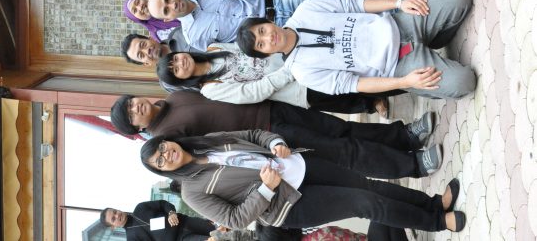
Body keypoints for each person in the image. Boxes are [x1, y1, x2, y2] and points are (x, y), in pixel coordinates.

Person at [139, 131, 465, 232]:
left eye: (162, 148)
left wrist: (274, 142)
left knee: (371, 187)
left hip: (300, 166)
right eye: (160, 160)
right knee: (365, 203)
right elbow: (234, 220)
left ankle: (434, 204)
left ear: (168, 141)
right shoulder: (192, 191)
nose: (166, 155)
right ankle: (437, 222)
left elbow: (252, 134)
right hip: (289, 205)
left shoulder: (207, 142)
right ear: (163, 171)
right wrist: (265, 188)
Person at [111, 92, 443, 178]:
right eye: (131, 115)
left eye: (131, 103)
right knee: (342, 151)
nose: (136, 107)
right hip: (268, 136)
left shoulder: (172, 97)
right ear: (136, 128)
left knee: (340, 127)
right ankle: (413, 165)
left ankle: (405, 137)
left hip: (270, 107)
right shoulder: (164, 138)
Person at [237, 0, 477, 99]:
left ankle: (437, 38)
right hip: (399, 65)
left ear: (267, 21)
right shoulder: (303, 72)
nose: (268, 37)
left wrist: (400, 3)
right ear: (266, 55)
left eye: (262, 30)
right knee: (465, 82)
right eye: (261, 44)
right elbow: (355, 84)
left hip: (400, 23)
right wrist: (405, 82)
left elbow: (354, 4)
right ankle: (428, 79)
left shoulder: (305, 9)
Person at [156, 43, 391, 116]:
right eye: (175, 70)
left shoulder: (214, 48)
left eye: (175, 59)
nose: (180, 63)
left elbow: (248, 47)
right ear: (180, 80)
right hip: (294, 88)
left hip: (291, 59)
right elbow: (251, 93)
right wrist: (288, 72)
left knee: (345, 72)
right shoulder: (209, 88)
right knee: (339, 97)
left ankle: (386, 81)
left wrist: (287, 57)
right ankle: (372, 103)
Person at [147, 0, 267, 51]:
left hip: (269, 2)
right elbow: (228, 50)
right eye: (166, 10)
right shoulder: (193, 38)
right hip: (265, 37)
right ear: (168, 19)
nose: (173, 5)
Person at [101, 200, 215, 241]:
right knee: (215, 240)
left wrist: (171, 213)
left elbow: (163, 204)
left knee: (217, 229)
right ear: (113, 227)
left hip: (186, 222)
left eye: (115, 211)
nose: (117, 215)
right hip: (182, 239)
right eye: (113, 219)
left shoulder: (140, 208)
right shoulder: (132, 238)